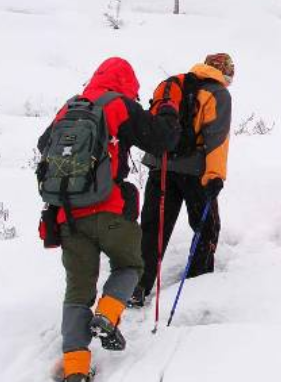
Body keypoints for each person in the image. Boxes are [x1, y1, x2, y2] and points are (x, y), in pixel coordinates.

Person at [37, 58, 180, 382]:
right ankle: (107, 314)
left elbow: (44, 146)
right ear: (126, 83)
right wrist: (168, 112)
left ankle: (75, 368)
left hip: (69, 216)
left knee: (77, 291)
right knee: (130, 266)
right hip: (109, 208)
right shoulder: (119, 105)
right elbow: (164, 140)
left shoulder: (70, 107)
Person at [131, 53, 233, 307]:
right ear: (225, 72)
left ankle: (138, 286)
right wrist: (215, 176)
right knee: (206, 225)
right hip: (195, 171)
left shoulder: (174, 84)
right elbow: (217, 139)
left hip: (161, 165)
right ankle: (198, 279)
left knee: (154, 227)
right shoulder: (217, 93)